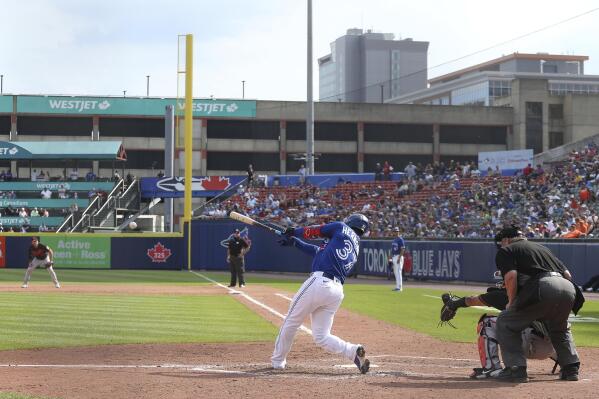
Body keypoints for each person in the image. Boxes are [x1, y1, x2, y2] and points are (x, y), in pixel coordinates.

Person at [270, 213, 371, 374]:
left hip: (320, 282)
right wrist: (295, 242)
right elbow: (318, 250)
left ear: (350, 221)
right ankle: (353, 351)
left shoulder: (340, 227)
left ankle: (278, 361)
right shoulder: (355, 245)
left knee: (291, 321)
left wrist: (293, 232)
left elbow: (315, 231)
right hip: (336, 292)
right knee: (321, 336)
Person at [493, 225, 583, 383]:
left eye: (501, 242)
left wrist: (512, 302)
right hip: (568, 288)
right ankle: (571, 368)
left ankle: (516, 369)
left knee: (506, 322)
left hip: (543, 286)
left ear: (506, 239)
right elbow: (568, 275)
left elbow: (511, 277)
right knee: (559, 327)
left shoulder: (507, 250)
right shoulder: (542, 248)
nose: (501, 245)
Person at [441, 287, 557, 379]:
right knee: (546, 325)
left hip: (528, 345)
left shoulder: (506, 294)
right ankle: (565, 362)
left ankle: (491, 367)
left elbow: (472, 300)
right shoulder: (537, 294)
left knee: (487, 322)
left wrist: (454, 304)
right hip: (552, 348)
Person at [390, 227, 405, 291]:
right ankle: (397, 286)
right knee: (396, 272)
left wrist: (399, 257)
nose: (396, 232)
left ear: (399, 232)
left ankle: (400, 287)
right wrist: (390, 256)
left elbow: (403, 249)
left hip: (399, 256)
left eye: (397, 231)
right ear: (393, 232)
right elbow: (393, 249)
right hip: (394, 257)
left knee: (398, 272)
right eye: (395, 231)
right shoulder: (394, 240)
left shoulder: (400, 239)